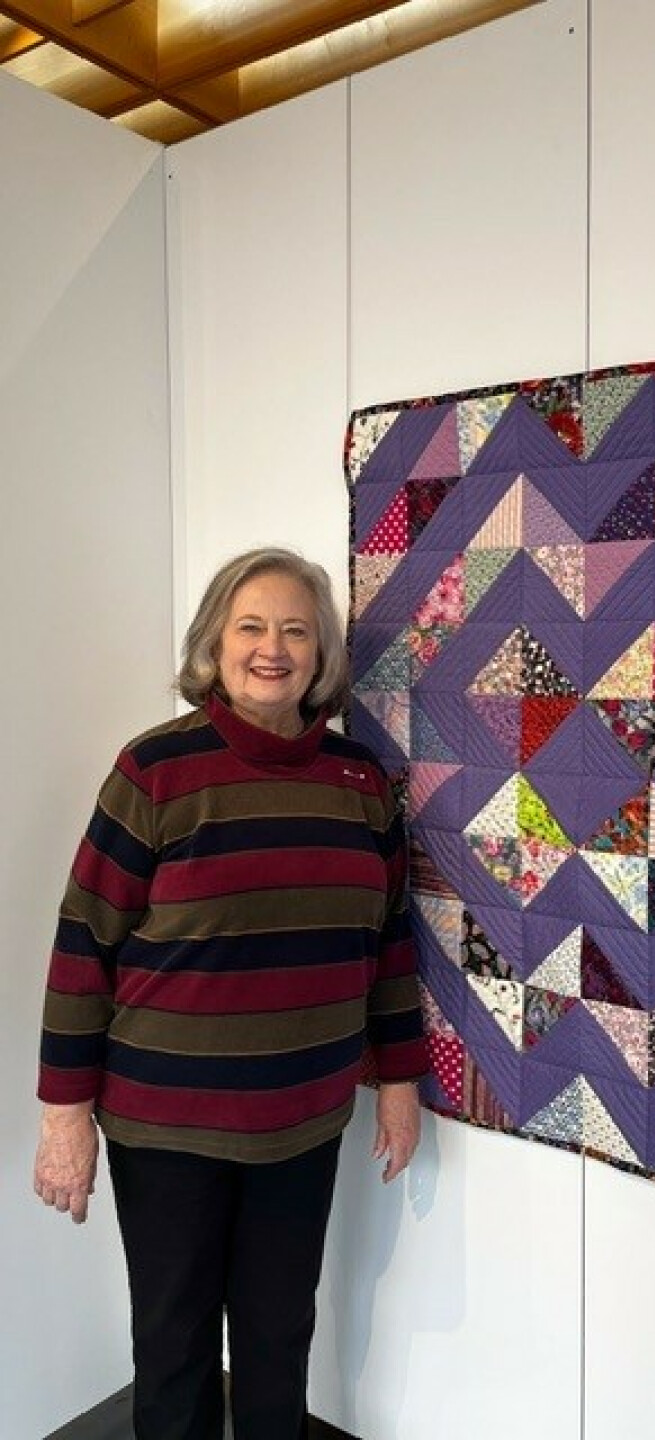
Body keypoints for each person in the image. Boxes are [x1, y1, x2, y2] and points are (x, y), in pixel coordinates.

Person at [33, 546, 428, 1440]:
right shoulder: (155, 772)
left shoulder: (361, 783)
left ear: (323, 655)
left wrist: (400, 1084)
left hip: (304, 1121)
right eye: (250, 626)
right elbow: (83, 943)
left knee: (278, 1341)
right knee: (173, 1348)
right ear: (214, 645)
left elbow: (389, 946)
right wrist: (64, 1118)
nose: (272, 648)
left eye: (296, 630)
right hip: (166, 1126)